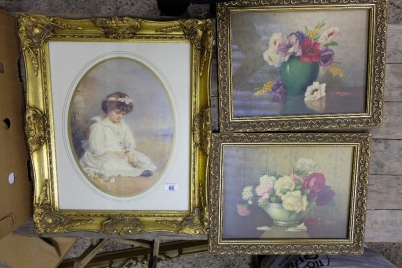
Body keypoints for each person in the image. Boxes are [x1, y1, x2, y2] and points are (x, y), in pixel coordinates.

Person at [80, 92, 156, 183]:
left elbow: (129, 142)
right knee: (109, 164)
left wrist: (130, 156)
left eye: (123, 114)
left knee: (142, 159)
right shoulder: (99, 126)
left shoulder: (123, 126)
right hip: (102, 154)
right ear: (108, 108)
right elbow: (96, 149)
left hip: (121, 152)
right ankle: (135, 172)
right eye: (117, 113)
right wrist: (115, 152)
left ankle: (137, 169)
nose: (120, 116)